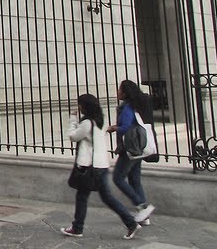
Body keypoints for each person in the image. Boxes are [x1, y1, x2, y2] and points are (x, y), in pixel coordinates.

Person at [61, 93, 140, 240]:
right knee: (105, 197)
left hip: (90, 167)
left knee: (83, 197)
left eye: (80, 104)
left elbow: (73, 136)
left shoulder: (87, 123)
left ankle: (78, 228)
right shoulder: (100, 121)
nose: (79, 107)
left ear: (85, 106)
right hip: (102, 165)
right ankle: (130, 223)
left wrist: (72, 119)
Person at [108, 80, 156, 225]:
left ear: (125, 92)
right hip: (138, 148)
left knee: (118, 178)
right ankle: (144, 216)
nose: (117, 92)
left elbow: (126, 127)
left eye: (119, 89)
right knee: (135, 180)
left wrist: (114, 128)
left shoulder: (127, 107)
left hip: (130, 149)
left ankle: (143, 207)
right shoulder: (136, 105)